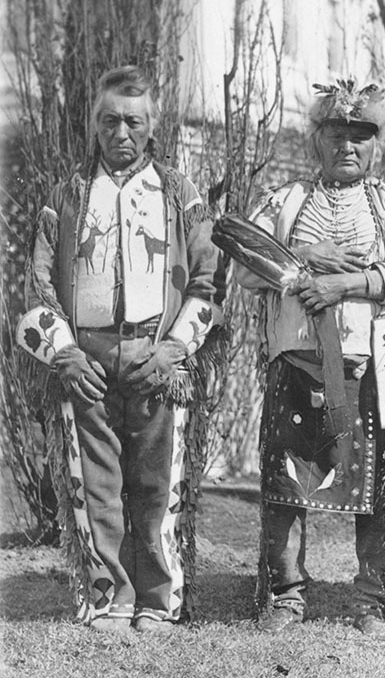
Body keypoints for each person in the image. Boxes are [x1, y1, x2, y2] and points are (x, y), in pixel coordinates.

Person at [17, 66, 226, 632]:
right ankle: (110, 597)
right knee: (97, 484)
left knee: (159, 486)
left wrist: (174, 350)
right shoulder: (65, 197)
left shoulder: (181, 195)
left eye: (133, 121)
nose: (121, 133)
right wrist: (65, 353)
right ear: (95, 127)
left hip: (156, 357)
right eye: (110, 121)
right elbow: (36, 290)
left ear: (152, 126)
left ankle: (160, 602)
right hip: (85, 361)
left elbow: (209, 284)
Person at [235, 79, 385, 635]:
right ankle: (286, 596)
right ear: (317, 140)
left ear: (375, 145)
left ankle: (370, 600)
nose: (348, 146)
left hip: (364, 369)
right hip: (295, 363)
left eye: (360, 137)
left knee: (371, 488)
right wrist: (300, 257)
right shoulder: (284, 202)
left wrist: (348, 283)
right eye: (337, 135)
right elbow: (246, 267)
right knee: (285, 484)